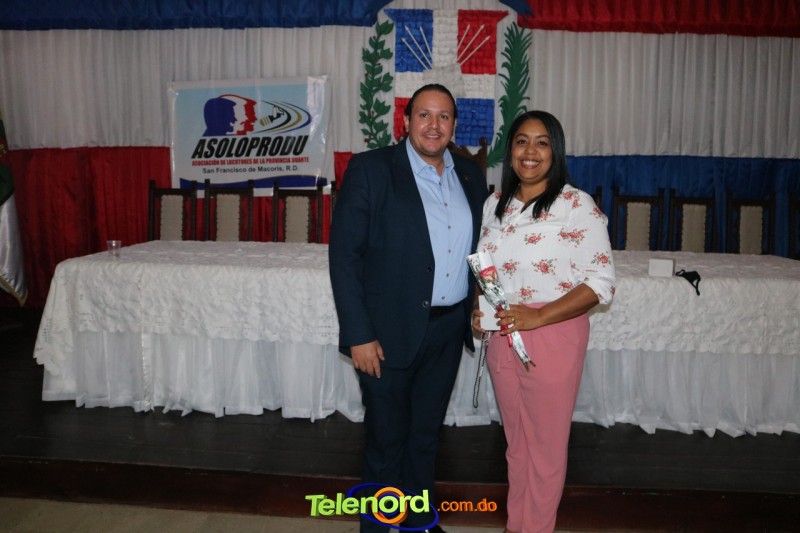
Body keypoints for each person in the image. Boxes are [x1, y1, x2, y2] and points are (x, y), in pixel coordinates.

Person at [329, 83, 488, 532]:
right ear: (406, 120)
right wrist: (359, 334)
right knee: (386, 442)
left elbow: (478, 251)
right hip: (384, 334)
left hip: (447, 330)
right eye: (424, 115)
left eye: (443, 116)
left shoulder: (471, 175)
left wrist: (480, 302)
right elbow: (345, 257)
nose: (433, 125)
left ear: (454, 125)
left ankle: (419, 524)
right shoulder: (371, 169)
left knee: (424, 438)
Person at [472, 110, 616, 533]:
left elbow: (601, 282)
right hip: (503, 336)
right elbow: (486, 270)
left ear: (556, 151)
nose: (530, 152)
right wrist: (478, 311)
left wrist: (537, 317)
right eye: (521, 141)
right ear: (510, 150)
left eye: (541, 142)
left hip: (553, 333)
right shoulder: (495, 204)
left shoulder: (575, 205)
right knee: (517, 446)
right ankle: (517, 525)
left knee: (546, 450)